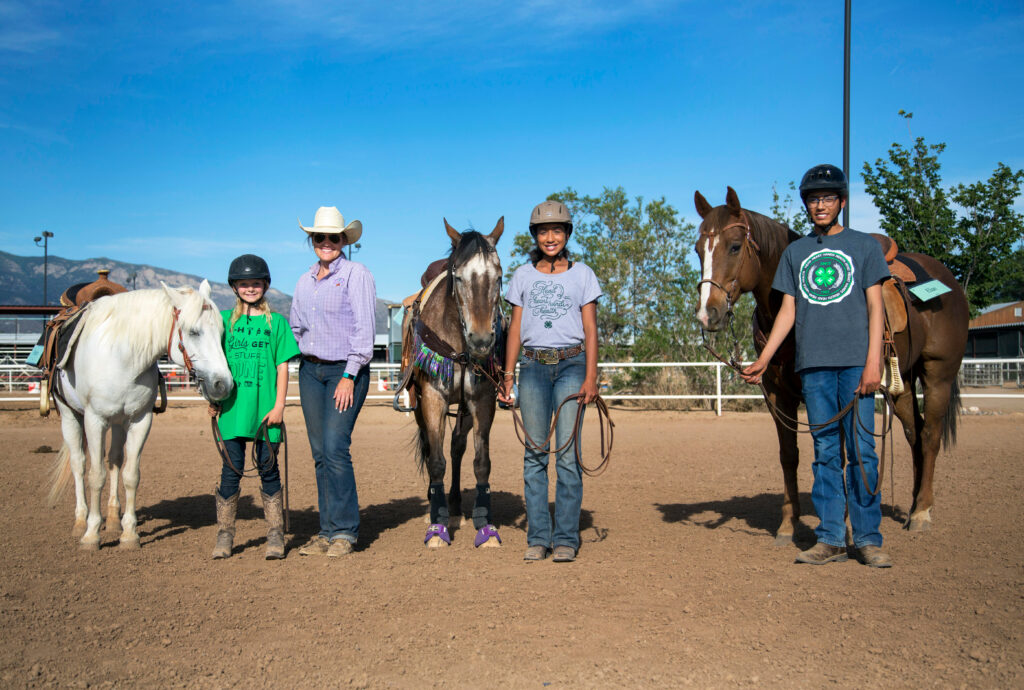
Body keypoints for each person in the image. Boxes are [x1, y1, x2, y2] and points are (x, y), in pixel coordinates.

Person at [741, 164, 892, 568]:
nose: (820, 205)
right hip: (814, 368)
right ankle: (830, 538)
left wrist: (873, 360)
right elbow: (787, 311)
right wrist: (765, 358)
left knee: (862, 451)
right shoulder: (796, 253)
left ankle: (868, 538)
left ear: (841, 201)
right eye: (813, 199)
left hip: (856, 365)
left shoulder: (864, 247)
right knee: (825, 452)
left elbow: (876, 306)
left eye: (827, 198)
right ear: (806, 205)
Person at [498, 200, 601, 563]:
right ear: (535, 236)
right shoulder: (523, 276)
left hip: (573, 366)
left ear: (567, 234)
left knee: (569, 457)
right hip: (533, 367)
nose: (550, 237)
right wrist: (508, 376)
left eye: (557, 230)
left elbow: (590, 329)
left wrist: (591, 376)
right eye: (543, 231)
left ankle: (566, 537)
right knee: (535, 454)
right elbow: (514, 329)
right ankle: (539, 536)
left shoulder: (583, 274)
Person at [290, 206, 376, 558]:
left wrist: (349, 375)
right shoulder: (303, 280)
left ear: (344, 240)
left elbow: (364, 330)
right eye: (319, 237)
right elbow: (296, 326)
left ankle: (344, 532)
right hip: (311, 373)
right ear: (312, 240)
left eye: (333, 237)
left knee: (335, 447)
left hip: (345, 371)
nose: (326, 242)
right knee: (320, 453)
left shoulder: (357, 275)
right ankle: (326, 531)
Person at [210, 254, 300, 560]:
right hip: (232, 410)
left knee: (269, 471)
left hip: (266, 412)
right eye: (244, 284)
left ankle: (275, 534)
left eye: (256, 283)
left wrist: (279, 407)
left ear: (265, 286)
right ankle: (225, 534)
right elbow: (209, 364)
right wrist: (211, 401)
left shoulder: (278, 324)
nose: (250, 288)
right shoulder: (221, 322)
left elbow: (283, 368)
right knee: (230, 474)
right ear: (235, 287)